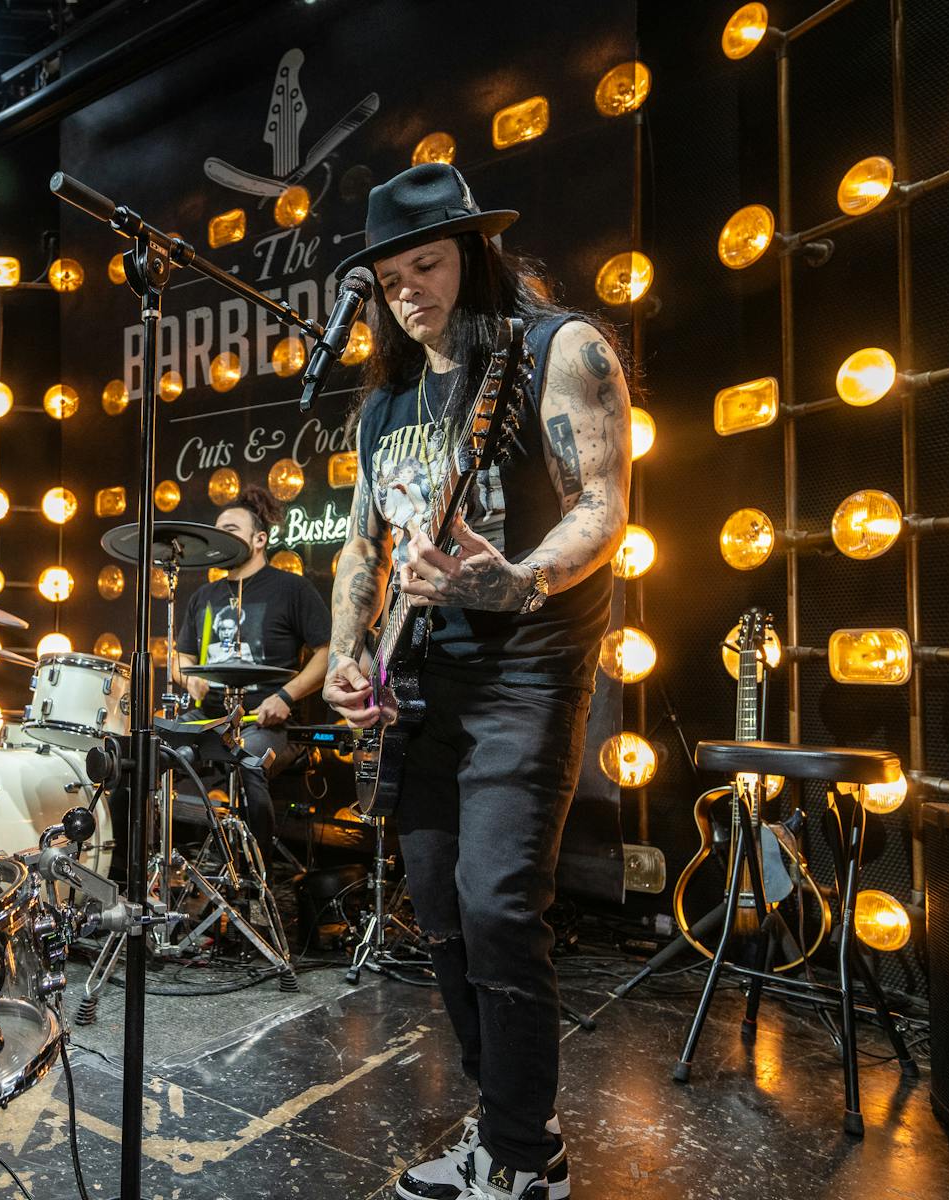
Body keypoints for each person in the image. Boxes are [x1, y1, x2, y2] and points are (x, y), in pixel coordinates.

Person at [322, 163, 629, 1200]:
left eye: (427, 264)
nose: (409, 292)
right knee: (442, 911)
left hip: (526, 670)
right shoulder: (386, 403)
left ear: (472, 253)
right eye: (389, 279)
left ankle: (521, 1157)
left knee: (498, 905)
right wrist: (351, 651)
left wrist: (520, 578)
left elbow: (602, 505)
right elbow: (361, 547)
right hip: (421, 679)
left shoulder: (558, 349)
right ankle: (512, 1125)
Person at [173, 484, 331, 854]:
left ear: (260, 539)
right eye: (217, 531)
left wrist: (285, 696)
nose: (220, 538)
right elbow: (182, 659)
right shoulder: (204, 597)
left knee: (250, 761)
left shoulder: (292, 589)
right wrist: (189, 679)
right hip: (209, 717)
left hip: (268, 723)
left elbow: (328, 654)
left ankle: (256, 875)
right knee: (150, 752)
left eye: (230, 530)